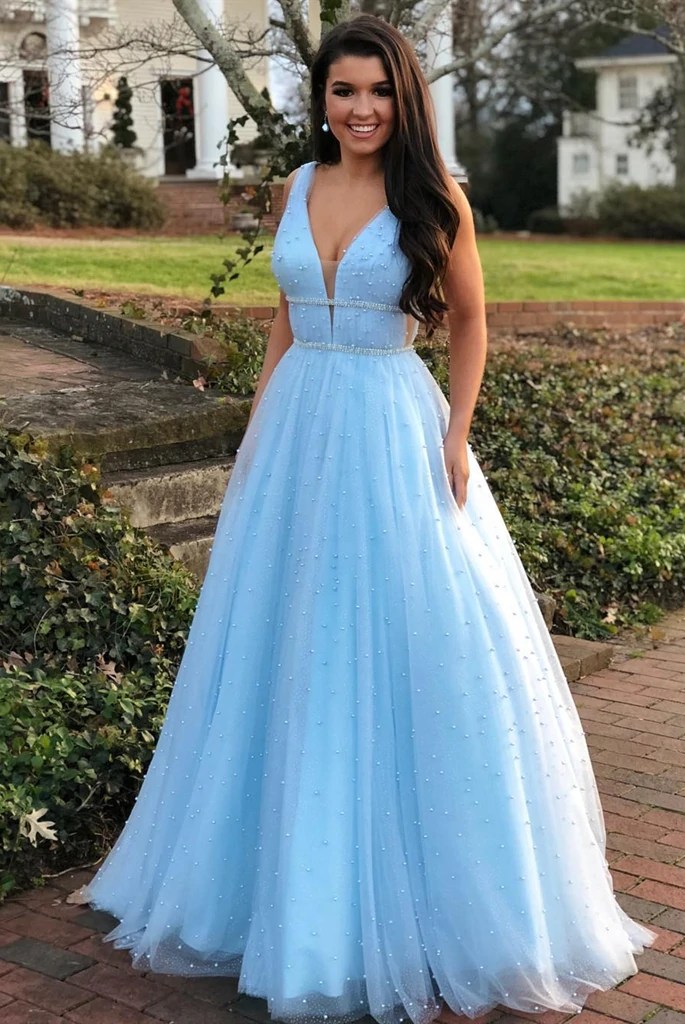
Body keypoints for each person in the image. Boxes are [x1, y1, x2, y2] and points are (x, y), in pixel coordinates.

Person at [83, 13, 655, 1024]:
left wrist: (457, 434)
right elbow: (285, 315)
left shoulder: (434, 195)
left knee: (409, 636)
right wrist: (257, 424)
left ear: (404, 98)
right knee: (281, 636)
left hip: (392, 425)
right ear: (322, 100)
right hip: (297, 427)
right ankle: (270, 886)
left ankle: (421, 896)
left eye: (379, 91)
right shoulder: (298, 187)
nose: (361, 109)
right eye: (344, 91)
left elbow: (471, 318)